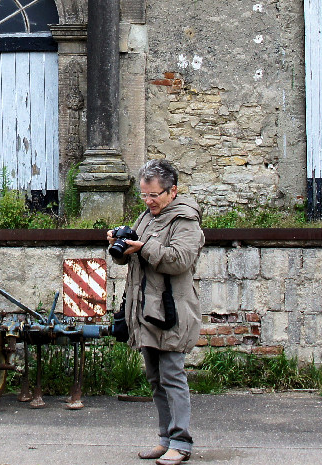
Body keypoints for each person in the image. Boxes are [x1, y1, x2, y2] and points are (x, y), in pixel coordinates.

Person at [108, 159, 204, 465]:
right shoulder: (147, 216)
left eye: (154, 196)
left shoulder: (185, 221)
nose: (148, 201)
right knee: (155, 379)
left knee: (173, 376)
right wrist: (121, 246)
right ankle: (165, 440)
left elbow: (179, 260)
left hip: (172, 313)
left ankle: (182, 442)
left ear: (172, 191)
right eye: (144, 195)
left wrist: (142, 246)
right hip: (145, 312)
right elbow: (135, 256)